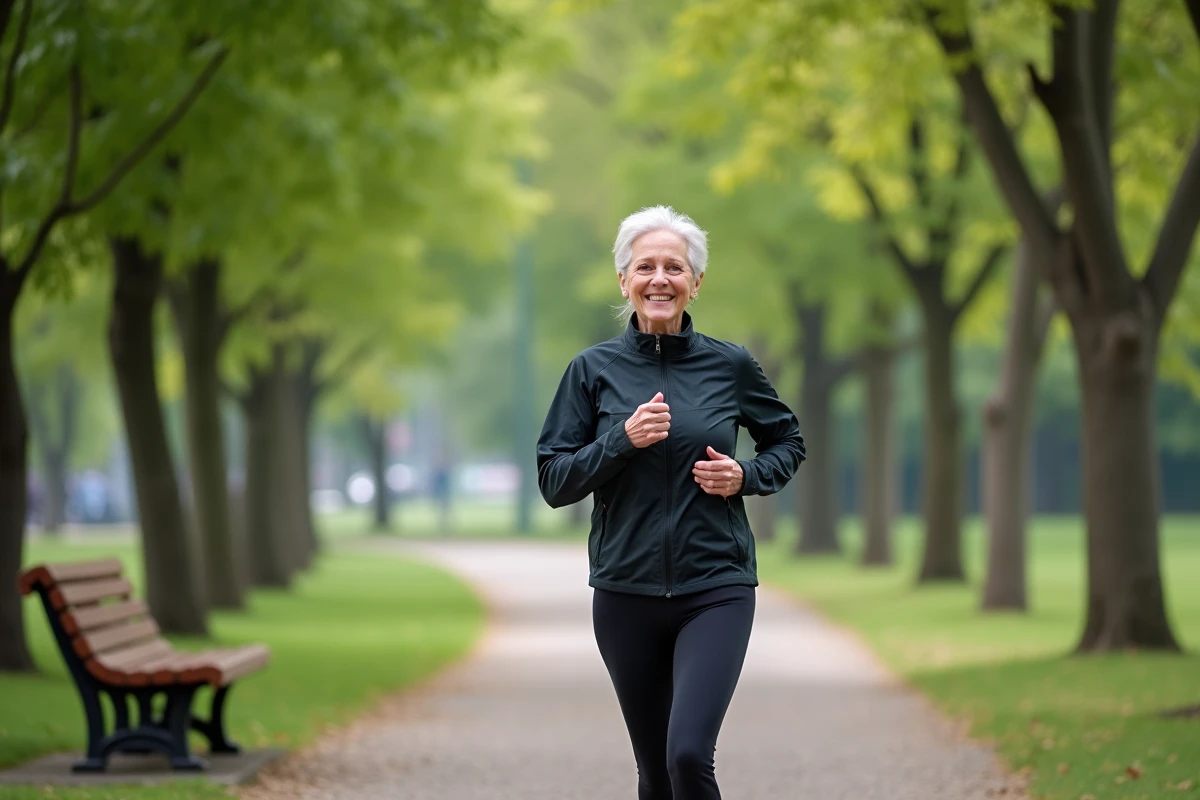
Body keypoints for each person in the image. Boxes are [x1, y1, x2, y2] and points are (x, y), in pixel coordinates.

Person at [536, 206, 806, 799]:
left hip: (716, 585)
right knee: (655, 773)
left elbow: (788, 440)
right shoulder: (591, 371)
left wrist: (747, 476)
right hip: (624, 592)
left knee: (687, 755)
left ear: (695, 282)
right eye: (646, 267)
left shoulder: (729, 365)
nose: (660, 279)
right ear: (624, 281)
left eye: (674, 267)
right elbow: (555, 480)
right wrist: (621, 440)